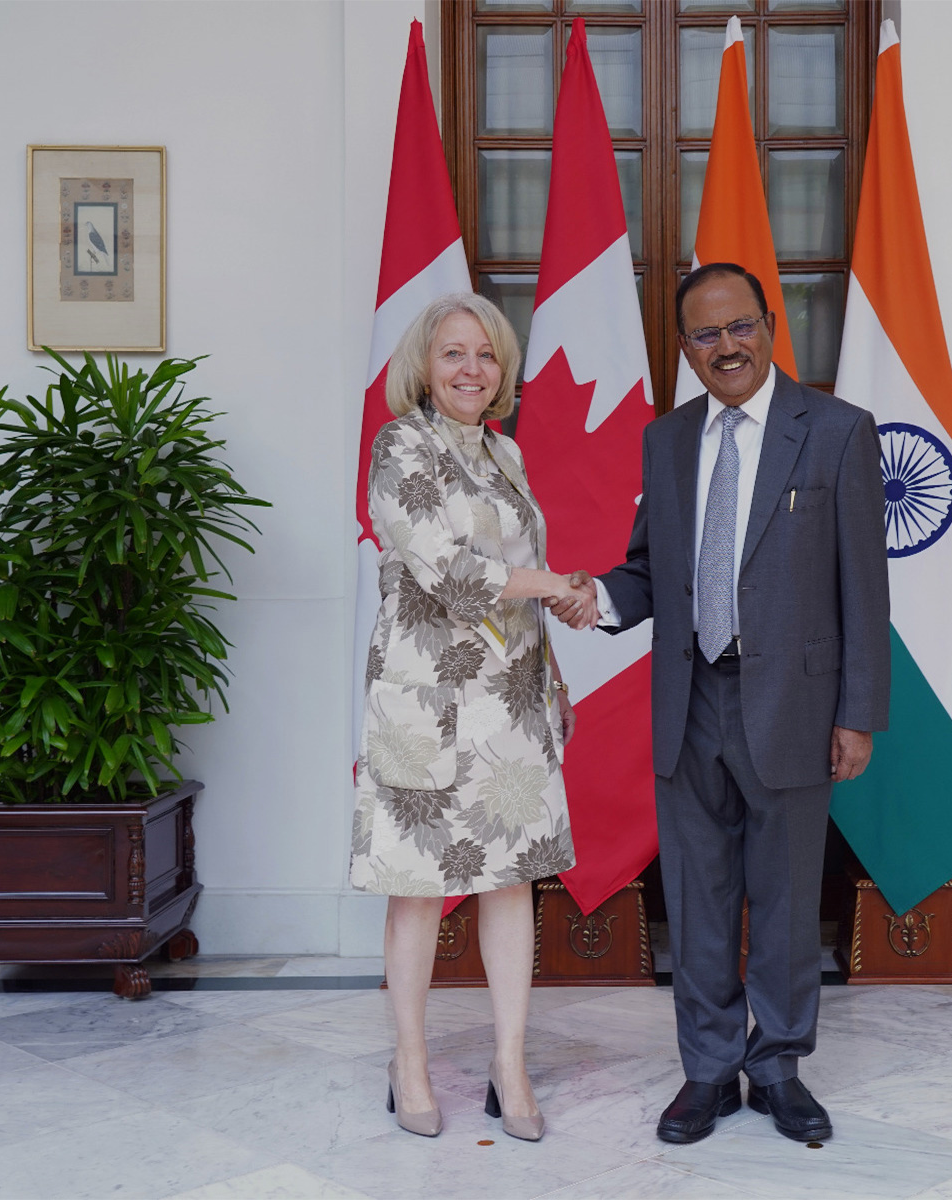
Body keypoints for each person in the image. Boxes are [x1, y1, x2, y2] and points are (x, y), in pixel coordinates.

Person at [578, 262, 890, 1145]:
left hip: (793, 704)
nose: (727, 347)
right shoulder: (667, 440)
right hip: (690, 700)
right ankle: (708, 1072)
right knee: (698, 897)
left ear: (769, 326)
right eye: (706, 335)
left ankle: (779, 1066)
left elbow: (865, 589)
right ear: (685, 349)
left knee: (788, 898)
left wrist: (858, 712)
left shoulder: (835, 432)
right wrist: (594, 599)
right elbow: (649, 568)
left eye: (740, 327)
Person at [350, 292, 597, 1142]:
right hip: (426, 698)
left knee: (511, 878)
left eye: (486, 355)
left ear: (503, 372)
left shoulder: (507, 453)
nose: (471, 369)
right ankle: (409, 1063)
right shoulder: (399, 444)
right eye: (454, 353)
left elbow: (520, 572)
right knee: (420, 888)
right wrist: (553, 584)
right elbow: (444, 568)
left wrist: (555, 648)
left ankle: (509, 1062)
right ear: (424, 364)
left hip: (512, 701)